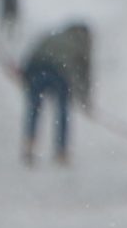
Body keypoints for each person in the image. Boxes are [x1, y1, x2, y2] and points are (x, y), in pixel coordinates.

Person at [20, 21, 94, 166]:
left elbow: (33, 54)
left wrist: (26, 75)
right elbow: (84, 72)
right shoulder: (81, 43)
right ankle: (61, 152)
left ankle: (29, 145)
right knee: (62, 111)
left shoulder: (53, 37)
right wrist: (85, 99)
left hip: (37, 68)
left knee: (34, 108)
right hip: (59, 71)